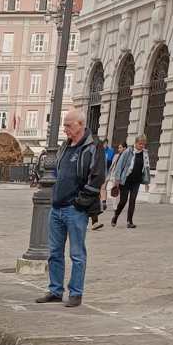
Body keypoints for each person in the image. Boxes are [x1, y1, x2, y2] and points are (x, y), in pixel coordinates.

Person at [37, 106, 106, 308]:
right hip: (57, 207)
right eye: (64, 125)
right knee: (54, 252)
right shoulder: (65, 146)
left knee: (77, 254)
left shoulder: (93, 147)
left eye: (68, 125)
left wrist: (80, 202)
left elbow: (98, 177)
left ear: (81, 125)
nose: (65, 129)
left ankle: (76, 293)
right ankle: (55, 290)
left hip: (75, 209)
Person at [110, 135, 151, 229]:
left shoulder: (145, 154)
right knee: (123, 201)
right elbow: (120, 165)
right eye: (140, 144)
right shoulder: (128, 151)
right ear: (136, 143)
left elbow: (146, 168)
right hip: (125, 180)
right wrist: (117, 179)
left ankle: (129, 221)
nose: (142, 146)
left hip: (136, 181)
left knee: (132, 200)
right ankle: (115, 216)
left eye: (143, 144)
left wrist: (147, 182)